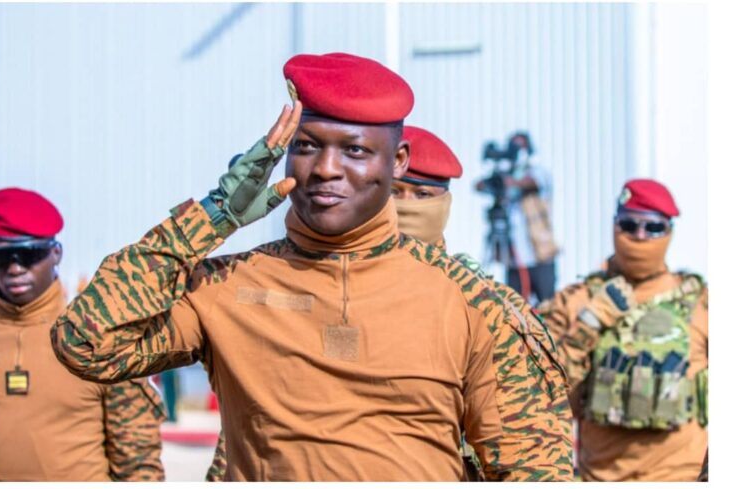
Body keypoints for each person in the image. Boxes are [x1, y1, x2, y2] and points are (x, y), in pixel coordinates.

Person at [51, 52, 572, 481]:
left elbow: (534, 470)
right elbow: (86, 344)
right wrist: (213, 215)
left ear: (397, 162)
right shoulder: (226, 286)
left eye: (354, 151)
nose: (325, 169)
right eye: (306, 146)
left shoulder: (471, 303)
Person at [204, 125, 574, 482]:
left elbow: (531, 459)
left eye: (423, 196)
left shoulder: (477, 305)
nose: (408, 207)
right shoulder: (291, 284)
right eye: (397, 192)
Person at [0, 187, 167, 481]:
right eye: (3, 257)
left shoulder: (98, 337)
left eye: (29, 255)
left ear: (56, 253)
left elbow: (138, 462)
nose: (16, 268)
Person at [537, 179, 708, 481]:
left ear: (669, 232)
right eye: (629, 225)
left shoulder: (702, 304)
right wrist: (588, 324)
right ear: (615, 225)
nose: (640, 236)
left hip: (682, 475)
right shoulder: (576, 302)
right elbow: (540, 396)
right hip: (601, 477)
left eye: (653, 228)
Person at [476, 132, 558, 303]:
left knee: (548, 307)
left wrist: (509, 181)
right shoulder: (506, 173)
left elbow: (531, 183)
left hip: (539, 257)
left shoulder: (538, 172)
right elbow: (479, 186)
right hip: (514, 260)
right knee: (514, 307)